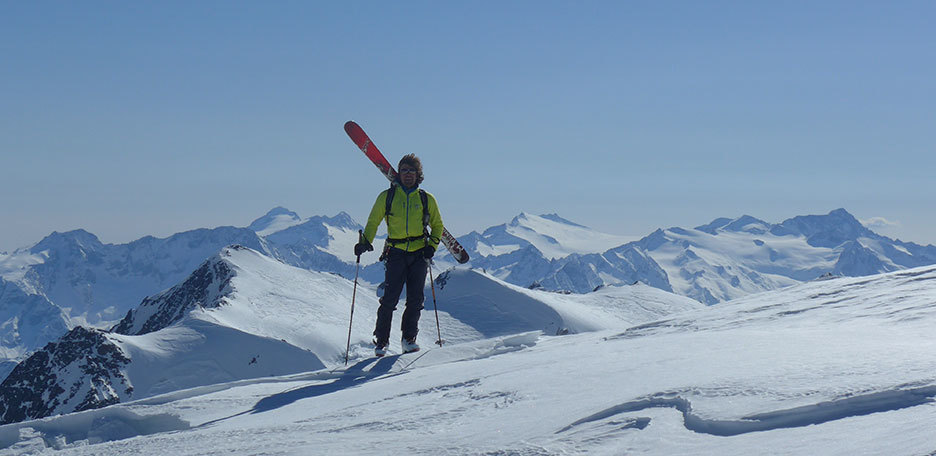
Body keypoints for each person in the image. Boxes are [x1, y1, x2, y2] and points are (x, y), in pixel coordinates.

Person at [354, 154, 444, 357]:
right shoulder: (387, 197)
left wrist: (432, 247)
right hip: (395, 253)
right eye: (404, 171)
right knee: (389, 299)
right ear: (398, 174)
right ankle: (382, 341)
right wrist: (365, 243)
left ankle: (408, 339)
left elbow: (438, 225)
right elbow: (373, 221)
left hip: (419, 254)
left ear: (418, 175)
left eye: (412, 171)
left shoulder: (426, 199)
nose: (408, 175)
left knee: (415, 299)